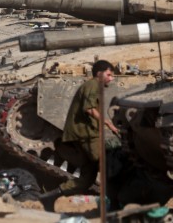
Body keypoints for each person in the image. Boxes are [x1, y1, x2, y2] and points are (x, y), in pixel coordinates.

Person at [39, 59, 120, 210]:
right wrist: (108, 123)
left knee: (87, 179)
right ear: (100, 74)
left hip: (85, 133)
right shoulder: (93, 84)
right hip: (87, 134)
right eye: (109, 75)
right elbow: (88, 108)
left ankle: (49, 198)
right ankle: (117, 203)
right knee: (107, 165)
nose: (111, 78)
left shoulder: (92, 85)